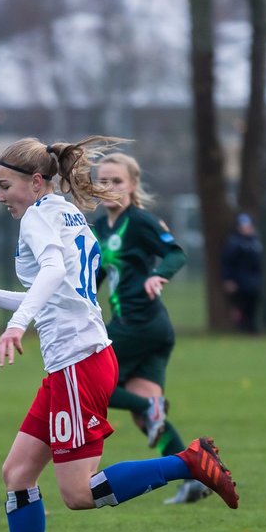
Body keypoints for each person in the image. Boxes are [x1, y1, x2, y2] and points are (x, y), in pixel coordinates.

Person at [0, 136, 239, 532]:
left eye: (5, 186)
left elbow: (48, 274)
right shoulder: (64, 211)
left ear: (35, 181)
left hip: (76, 364)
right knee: (18, 472)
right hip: (80, 360)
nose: (0, 197)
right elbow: (56, 290)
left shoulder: (39, 217)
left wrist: (15, 325)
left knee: (79, 493)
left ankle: (189, 463)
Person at [91, 152, 210, 505]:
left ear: (131, 185)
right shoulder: (100, 228)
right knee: (148, 422)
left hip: (139, 324)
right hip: (149, 331)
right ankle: (194, 478)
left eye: (117, 181)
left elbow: (175, 253)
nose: (110, 187)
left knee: (92, 384)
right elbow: (98, 275)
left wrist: (160, 274)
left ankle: (148, 405)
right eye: (104, 181)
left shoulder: (140, 221)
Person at [222, 212, 263, 334]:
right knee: (241, 306)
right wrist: (228, 279)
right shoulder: (234, 243)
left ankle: (251, 329)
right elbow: (228, 262)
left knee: (253, 305)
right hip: (240, 281)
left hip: (253, 281)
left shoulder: (255, 242)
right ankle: (243, 330)